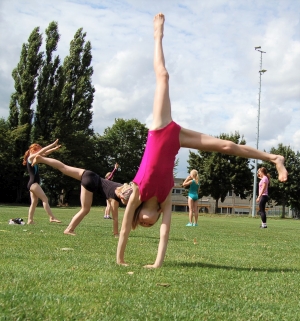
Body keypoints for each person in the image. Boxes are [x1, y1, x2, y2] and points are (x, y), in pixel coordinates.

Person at [116, 13, 288, 268]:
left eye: (141, 221)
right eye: (149, 224)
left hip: (160, 129)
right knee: (227, 147)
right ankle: (275, 157)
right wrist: (157, 263)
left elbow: (123, 231)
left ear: (138, 211)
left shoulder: (139, 192)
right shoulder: (164, 198)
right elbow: (165, 234)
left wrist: (120, 259)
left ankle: (157, 35)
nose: (145, 223)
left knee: (163, 76)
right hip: (175, 140)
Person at [32, 156, 132, 237]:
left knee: (64, 167)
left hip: (90, 174)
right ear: (122, 197)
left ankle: (41, 159)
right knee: (85, 209)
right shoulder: (114, 198)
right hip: (91, 183)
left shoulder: (121, 186)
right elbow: (115, 218)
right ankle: (69, 230)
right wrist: (116, 234)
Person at [22, 140, 62, 224]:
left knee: (34, 202)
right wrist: (52, 144)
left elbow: (44, 153)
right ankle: (52, 217)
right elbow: (43, 151)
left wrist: (54, 149)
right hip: (33, 183)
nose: (39, 152)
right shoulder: (30, 158)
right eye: (38, 150)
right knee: (45, 199)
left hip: (32, 184)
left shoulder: (34, 159)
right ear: (33, 150)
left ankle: (30, 220)